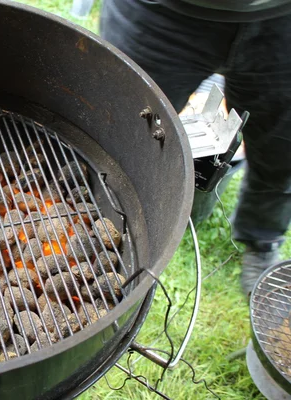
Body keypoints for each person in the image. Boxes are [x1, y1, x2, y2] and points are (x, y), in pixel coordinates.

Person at [100, 0, 291, 296]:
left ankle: (262, 239)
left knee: (281, 153)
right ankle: (99, 227)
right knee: (119, 139)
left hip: (281, 18)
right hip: (159, 13)